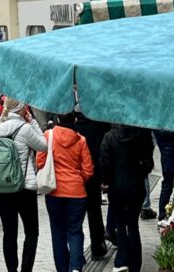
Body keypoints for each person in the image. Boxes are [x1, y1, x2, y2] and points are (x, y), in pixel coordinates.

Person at [0, 97, 46, 272]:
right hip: (24, 187)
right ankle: (26, 269)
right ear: (23, 109)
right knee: (31, 232)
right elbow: (43, 146)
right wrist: (33, 122)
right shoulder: (25, 128)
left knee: (9, 232)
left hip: (1, 188)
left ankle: (12, 270)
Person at [36, 111, 94, 272]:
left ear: (58, 118)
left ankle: (62, 268)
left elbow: (40, 162)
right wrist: (77, 178)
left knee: (58, 231)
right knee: (75, 230)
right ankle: (75, 267)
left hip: (55, 192)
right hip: (77, 192)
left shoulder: (48, 136)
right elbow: (88, 169)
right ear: (74, 119)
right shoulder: (81, 140)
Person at [99, 124, 154, 272]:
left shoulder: (109, 137)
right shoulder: (140, 135)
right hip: (136, 186)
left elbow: (104, 163)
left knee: (120, 224)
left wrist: (105, 181)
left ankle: (122, 260)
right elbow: (148, 162)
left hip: (116, 188)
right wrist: (139, 173)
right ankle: (135, 263)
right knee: (133, 225)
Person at [73, 111, 110, 259]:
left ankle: (77, 254)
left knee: (77, 215)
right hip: (93, 173)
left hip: (75, 175)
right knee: (94, 210)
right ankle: (97, 246)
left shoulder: (74, 126)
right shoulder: (101, 122)